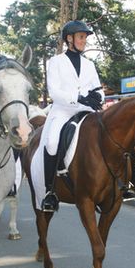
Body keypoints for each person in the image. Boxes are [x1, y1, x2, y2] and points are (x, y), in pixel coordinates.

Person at [40, 20, 104, 211]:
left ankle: (119, 185)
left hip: (86, 111)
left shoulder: (89, 64)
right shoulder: (56, 62)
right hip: (63, 111)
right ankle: (50, 191)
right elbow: (54, 91)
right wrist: (78, 97)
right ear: (70, 39)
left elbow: (98, 89)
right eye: (81, 37)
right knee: (51, 142)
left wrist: (97, 97)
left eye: (85, 37)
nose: (84, 41)